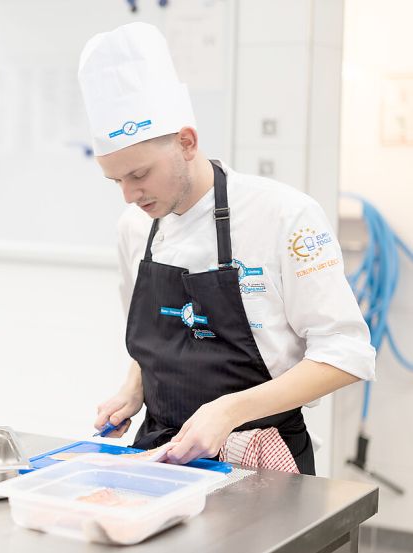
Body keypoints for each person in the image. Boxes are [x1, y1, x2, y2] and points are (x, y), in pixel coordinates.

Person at [79, 23, 374, 474]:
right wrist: (132, 389)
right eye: (116, 181)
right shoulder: (134, 228)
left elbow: (346, 354)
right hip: (162, 456)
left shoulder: (283, 215)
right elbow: (155, 344)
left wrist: (230, 411)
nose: (129, 195)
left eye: (139, 175)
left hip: (261, 460)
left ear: (187, 142)